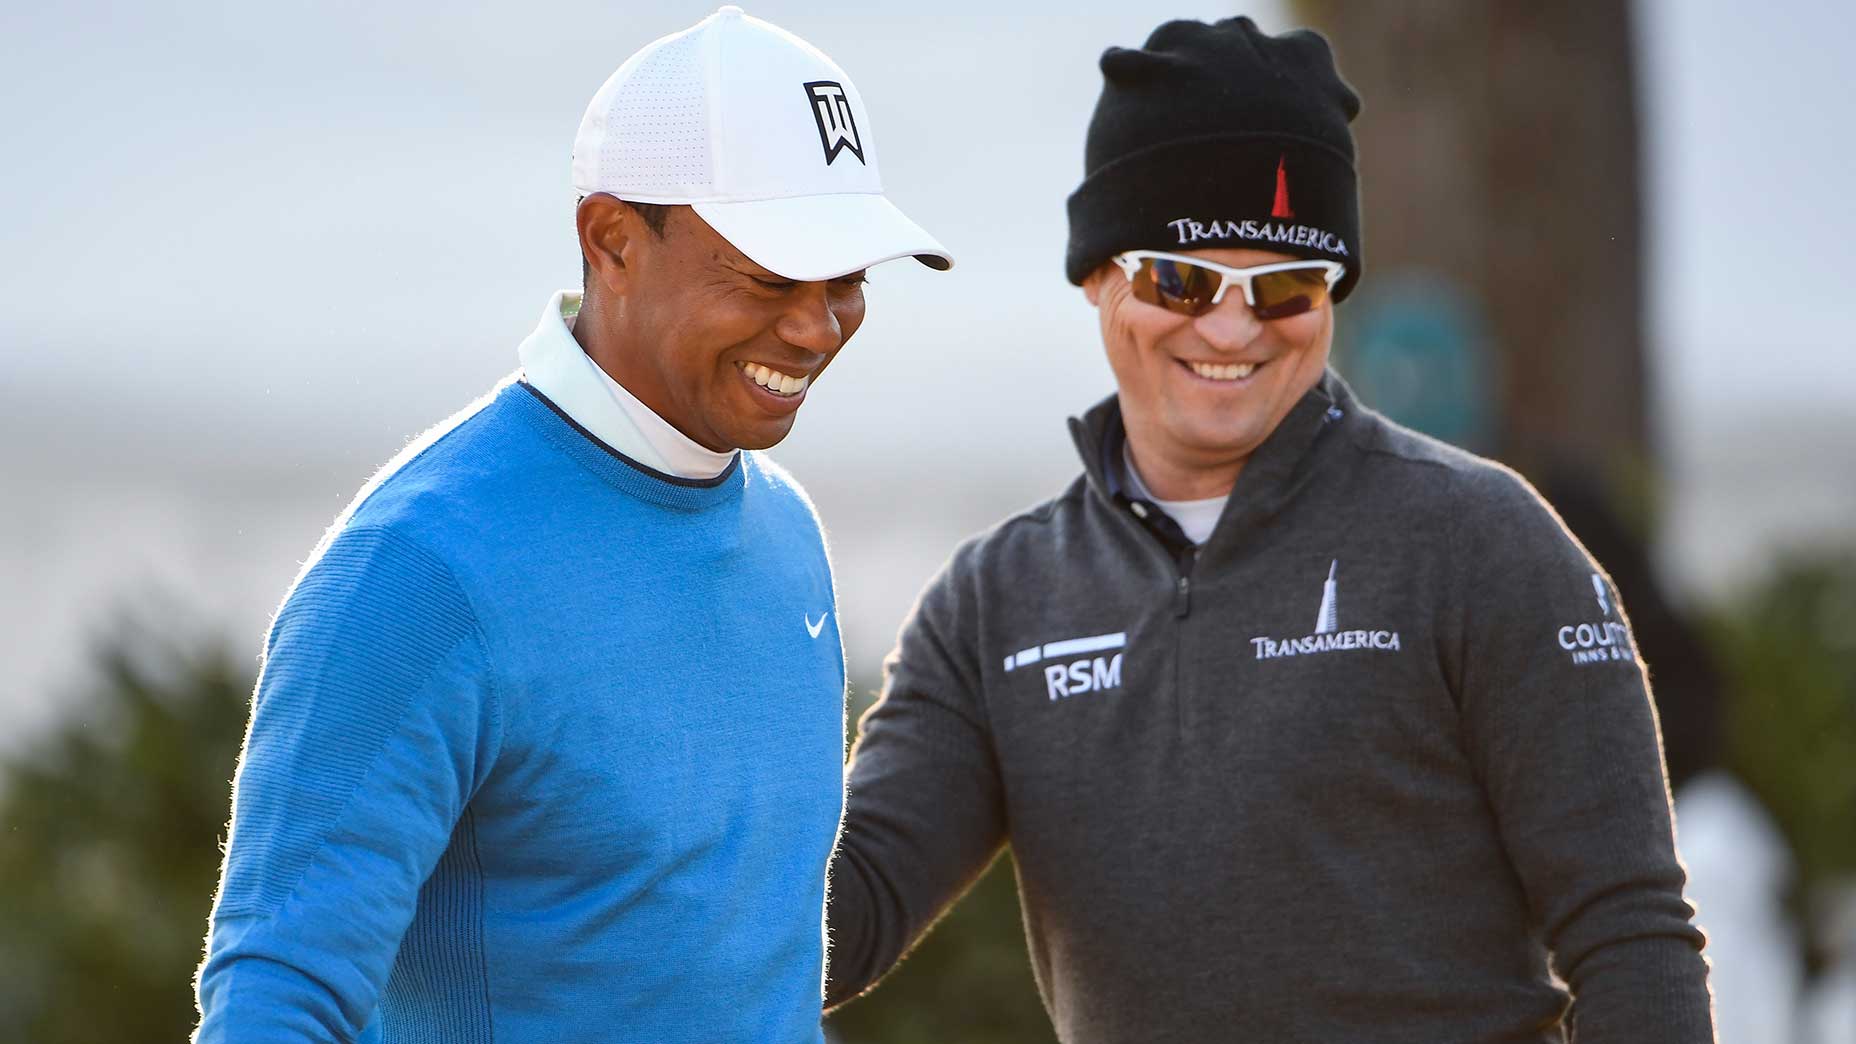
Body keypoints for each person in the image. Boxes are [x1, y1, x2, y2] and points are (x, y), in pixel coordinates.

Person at [825, 16, 1713, 1043]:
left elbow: (1629, 935)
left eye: (1284, 286)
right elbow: (841, 924)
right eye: (1182, 279)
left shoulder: (1484, 541)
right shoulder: (995, 601)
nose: (1231, 329)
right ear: (1095, 276)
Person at [193, 7, 950, 1041]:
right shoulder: (416, 571)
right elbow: (274, 1000)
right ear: (611, 239)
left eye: (849, 277)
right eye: (773, 275)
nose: (817, 326)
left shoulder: (784, 536)